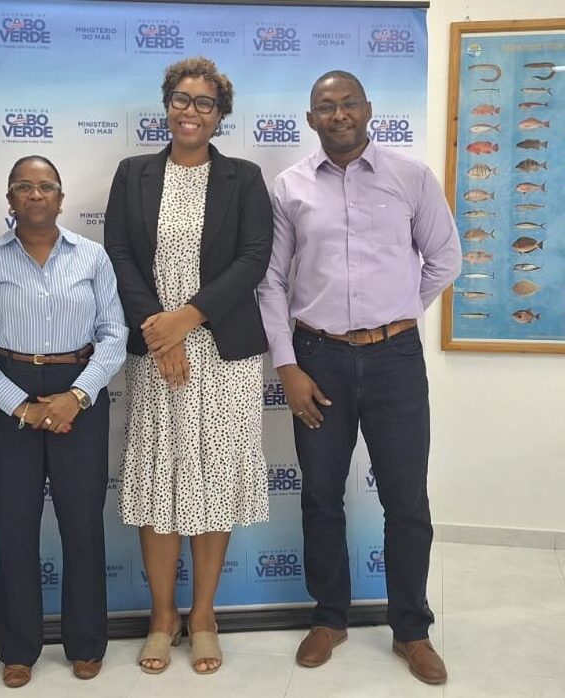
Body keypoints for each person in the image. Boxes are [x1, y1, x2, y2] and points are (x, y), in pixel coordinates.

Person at [259, 70, 461, 686]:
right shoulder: (290, 186)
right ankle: (329, 618)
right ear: (311, 118)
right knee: (321, 495)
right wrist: (288, 365)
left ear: (368, 109)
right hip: (316, 361)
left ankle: (411, 630)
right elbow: (271, 281)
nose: (339, 114)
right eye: (326, 106)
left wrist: (394, 318)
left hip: (395, 362)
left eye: (349, 103)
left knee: (406, 499)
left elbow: (444, 259)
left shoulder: (411, 177)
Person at [104, 56, 273, 675]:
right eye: (182, 98)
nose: (191, 111)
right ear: (166, 104)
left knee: (213, 484)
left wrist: (188, 318)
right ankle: (161, 617)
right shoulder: (134, 173)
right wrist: (161, 330)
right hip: (157, 353)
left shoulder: (244, 178)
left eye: (205, 102)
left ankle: (203, 617)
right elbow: (119, 252)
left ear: (220, 115)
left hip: (223, 356)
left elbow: (254, 258)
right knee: (160, 486)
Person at [0, 156, 127, 689]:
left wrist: (77, 395)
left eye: (45, 186)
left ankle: (86, 644)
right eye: (23, 187)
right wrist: (21, 405)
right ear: (10, 198)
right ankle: (18, 649)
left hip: (79, 390)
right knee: (16, 523)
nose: (35, 195)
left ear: (60, 197)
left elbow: (114, 334)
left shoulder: (92, 256)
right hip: (7, 393)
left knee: (82, 523)